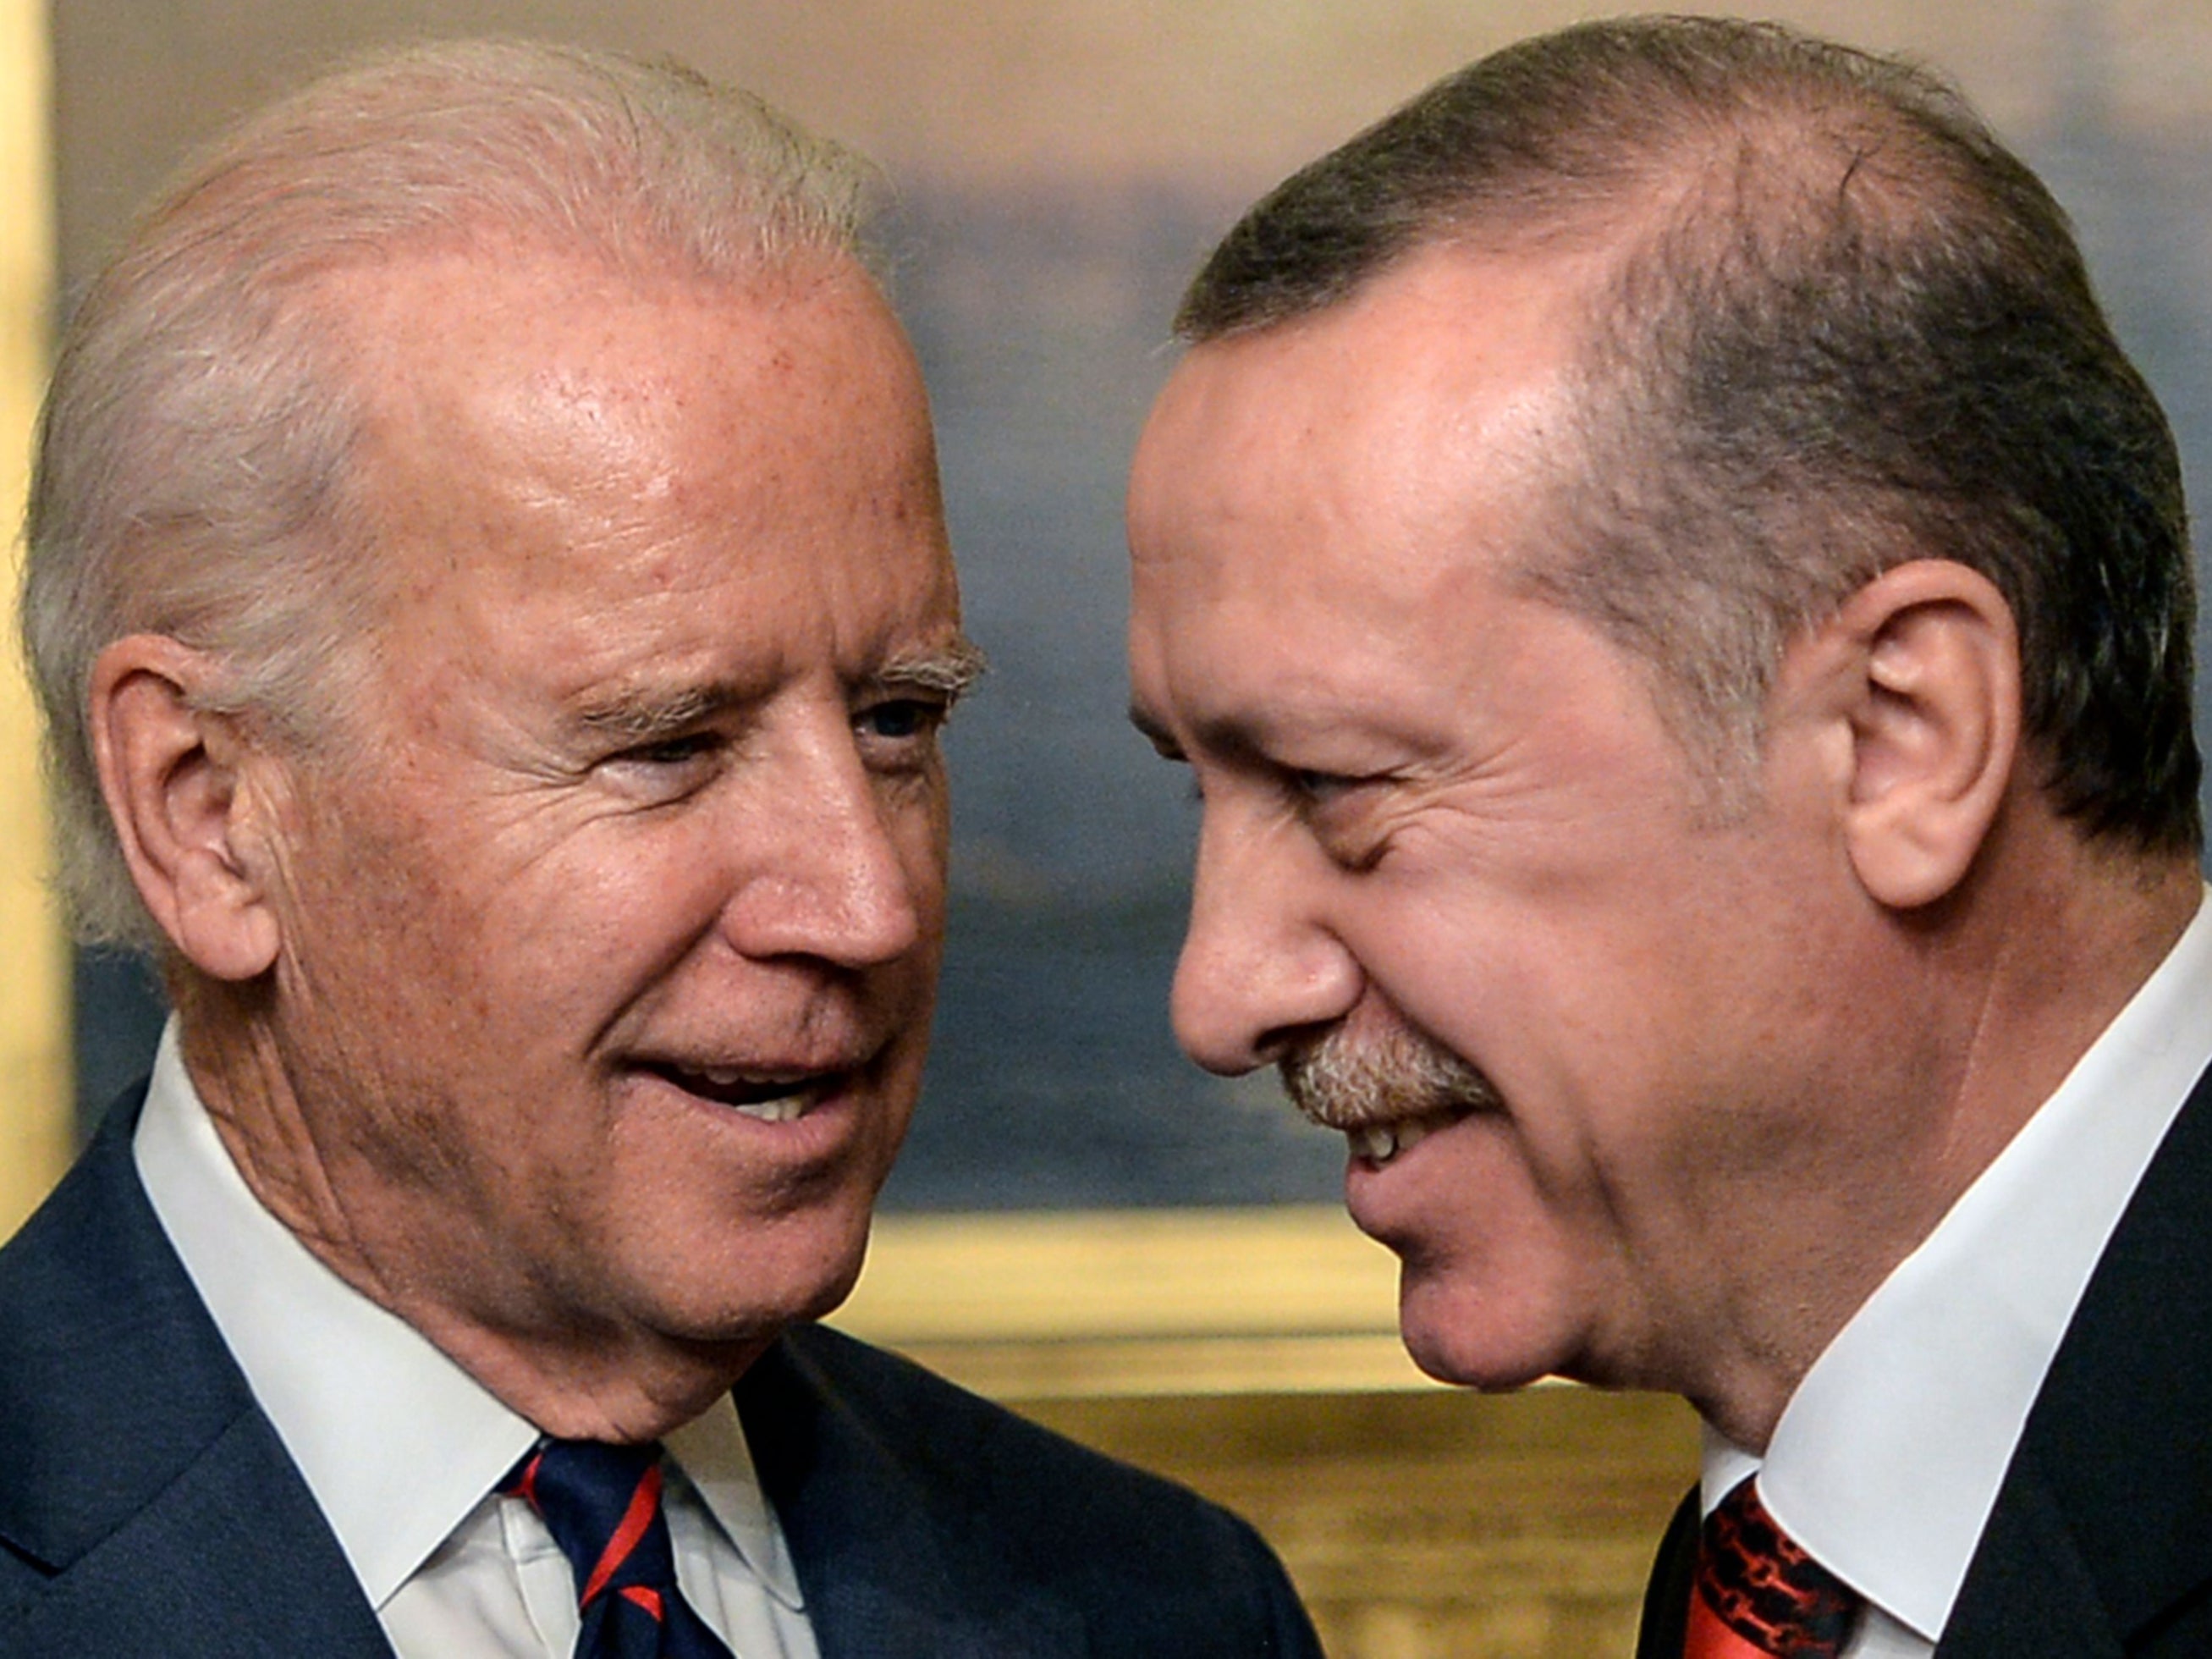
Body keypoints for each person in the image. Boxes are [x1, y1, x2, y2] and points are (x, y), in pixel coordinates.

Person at [0, 40, 1322, 1658]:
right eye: (669, 745)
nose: (870, 902)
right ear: (209, 812)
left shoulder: (1165, 1613)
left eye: (899, 722)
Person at [1127, 15, 2210, 1658]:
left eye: (1339, 786)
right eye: (1199, 785)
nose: (1216, 994)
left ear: (1898, 738)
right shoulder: (1794, 1556)